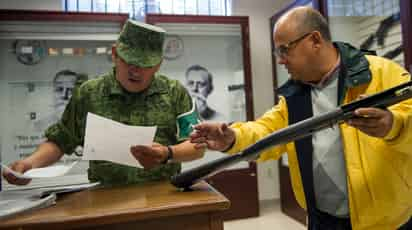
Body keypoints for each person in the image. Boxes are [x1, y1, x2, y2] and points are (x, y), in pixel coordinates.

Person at [190, 7, 412, 230]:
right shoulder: (294, 96)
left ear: (315, 40)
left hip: (386, 223)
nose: (280, 61)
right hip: (321, 221)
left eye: (284, 50)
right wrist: (232, 138)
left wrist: (393, 126)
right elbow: (267, 131)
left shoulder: (382, 73)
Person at [3, 19, 204, 187]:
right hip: (104, 200)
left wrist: (168, 153)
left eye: (145, 65)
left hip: (162, 196)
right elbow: (61, 140)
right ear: (115, 54)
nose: (136, 71)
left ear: (158, 64)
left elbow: (198, 146)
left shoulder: (174, 93)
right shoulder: (89, 93)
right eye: (129, 61)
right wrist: (28, 164)